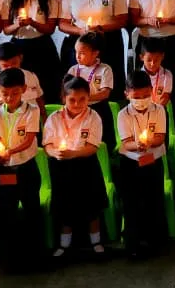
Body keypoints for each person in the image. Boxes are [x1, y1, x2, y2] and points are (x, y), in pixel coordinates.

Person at [42, 76, 107, 257]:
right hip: (61, 167)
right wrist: (55, 153)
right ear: (64, 98)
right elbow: (47, 144)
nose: (77, 104)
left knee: (91, 206)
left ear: (89, 98)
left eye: (82, 99)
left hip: (86, 165)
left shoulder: (93, 117)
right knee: (65, 207)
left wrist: (74, 153)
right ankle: (64, 244)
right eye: (72, 99)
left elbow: (93, 147)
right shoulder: (54, 118)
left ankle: (96, 242)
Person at [0, 67, 43, 269]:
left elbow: (29, 139)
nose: (9, 98)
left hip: (26, 167)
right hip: (5, 171)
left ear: (24, 89)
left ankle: (36, 255)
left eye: (14, 93)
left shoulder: (32, 110)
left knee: (32, 210)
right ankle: (10, 258)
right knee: (6, 212)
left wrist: (10, 151)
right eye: (5, 93)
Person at [116, 70, 168, 257]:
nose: (141, 100)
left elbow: (161, 137)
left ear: (152, 91)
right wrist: (137, 145)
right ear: (127, 94)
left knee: (153, 200)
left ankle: (155, 240)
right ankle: (133, 243)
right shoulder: (123, 115)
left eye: (146, 95)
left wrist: (149, 143)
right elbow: (126, 142)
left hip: (153, 161)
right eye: (136, 97)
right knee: (131, 202)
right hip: (130, 163)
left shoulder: (159, 110)